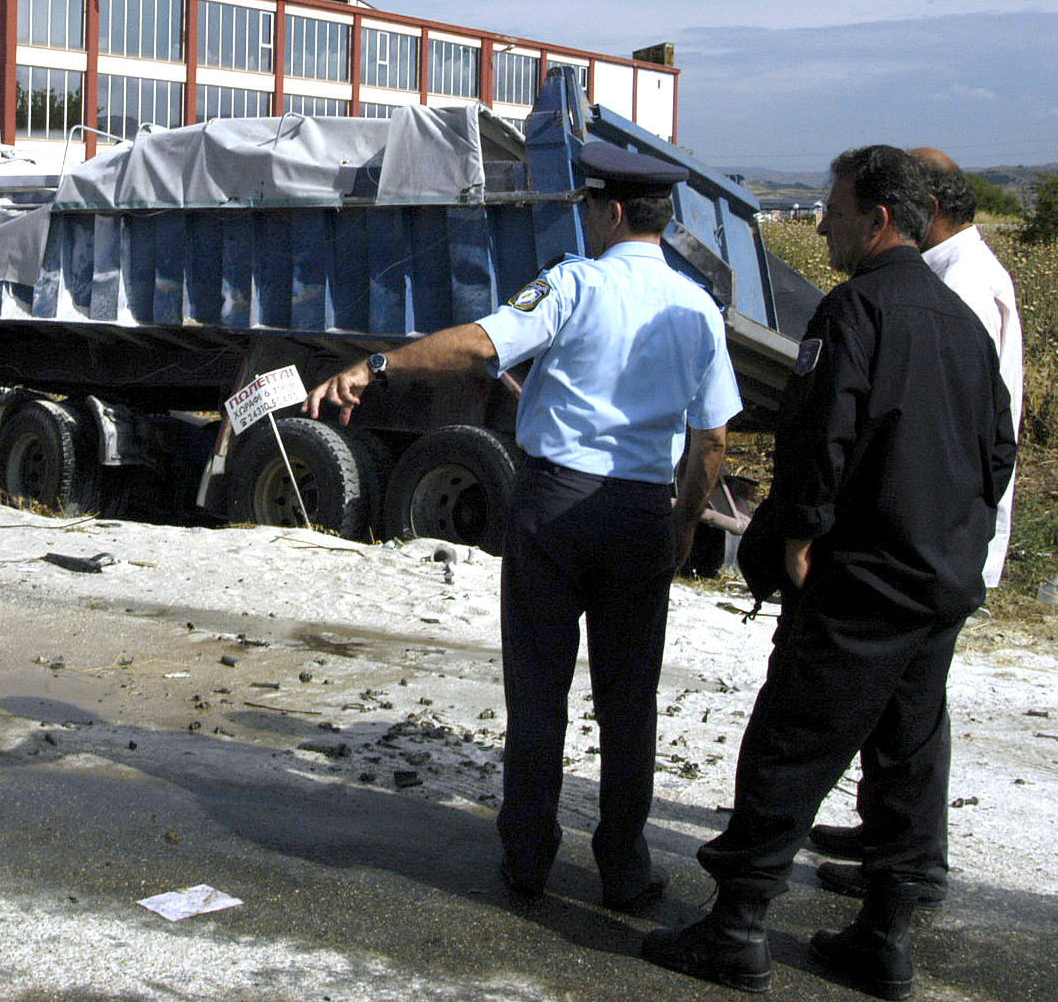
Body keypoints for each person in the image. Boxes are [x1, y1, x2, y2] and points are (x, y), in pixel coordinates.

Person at [305, 139, 741, 912]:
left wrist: (375, 367)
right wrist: (678, 526)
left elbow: (481, 343)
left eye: (588, 209)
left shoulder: (577, 284)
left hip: (557, 507)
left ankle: (530, 856)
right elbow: (711, 440)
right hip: (641, 511)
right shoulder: (697, 307)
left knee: (539, 685)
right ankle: (623, 866)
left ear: (609, 212)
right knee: (630, 697)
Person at [642, 145, 1015, 1000]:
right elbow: (999, 449)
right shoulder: (960, 321)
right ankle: (884, 938)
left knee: (792, 744)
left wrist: (802, 535)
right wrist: (958, 539)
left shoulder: (857, 313)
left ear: (879, 219)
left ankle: (737, 929)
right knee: (905, 759)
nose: (820, 223)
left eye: (833, 209)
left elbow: (821, 439)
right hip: (938, 584)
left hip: (862, 579)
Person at [809, 147, 1026, 902]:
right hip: (939, 538)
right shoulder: (950, 280)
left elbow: (969, 430)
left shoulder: (960, 287)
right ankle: (889, 846)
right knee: (906, 707)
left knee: (904, 711)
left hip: (920, 541)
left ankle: (910, 863)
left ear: (917, 209)